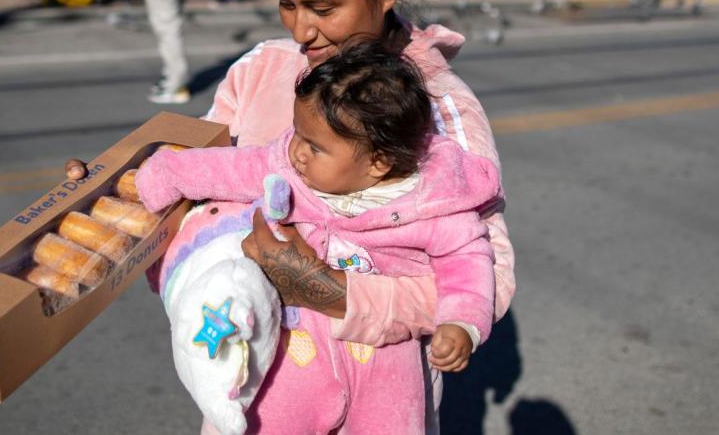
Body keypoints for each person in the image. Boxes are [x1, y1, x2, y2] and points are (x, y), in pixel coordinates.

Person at [67, 0, 515, 431]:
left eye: (323, 8)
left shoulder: (436, 104)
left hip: (379, 395)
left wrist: (333, 293)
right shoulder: (258, 73)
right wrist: (109, 190)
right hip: (257, 398)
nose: (303, 31)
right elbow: (192, 185)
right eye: (287, 4)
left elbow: (487, 275)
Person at [136, 40, 496, 433]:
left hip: (386, 362)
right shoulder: (289, 166)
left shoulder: (435, 202)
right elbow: (230, 167)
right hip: (294, 349)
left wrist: (461, 322)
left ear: (379, 162)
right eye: (298, 135)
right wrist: (166, 174)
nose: (298, 151)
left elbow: (468, 264)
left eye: (315, 146)